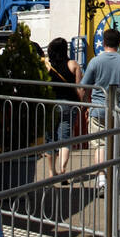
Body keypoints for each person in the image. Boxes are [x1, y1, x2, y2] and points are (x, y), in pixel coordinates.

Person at [80, 28, 120, 173]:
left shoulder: (95, 62)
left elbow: (83, 87)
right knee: (117, 144)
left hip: (98, 109)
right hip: (119, 109)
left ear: (104, 42)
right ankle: (114, 176)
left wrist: (86, 105)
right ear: (119, 43)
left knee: (100, 145)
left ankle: (101, 178)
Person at [45, 36, 81, 174]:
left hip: (50, 104)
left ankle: (51, 171)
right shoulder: (73, 64)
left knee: (50, 138)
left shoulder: (47, 65)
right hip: (68, 104)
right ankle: (62, 169)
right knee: (65, 137)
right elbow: (79, 87)